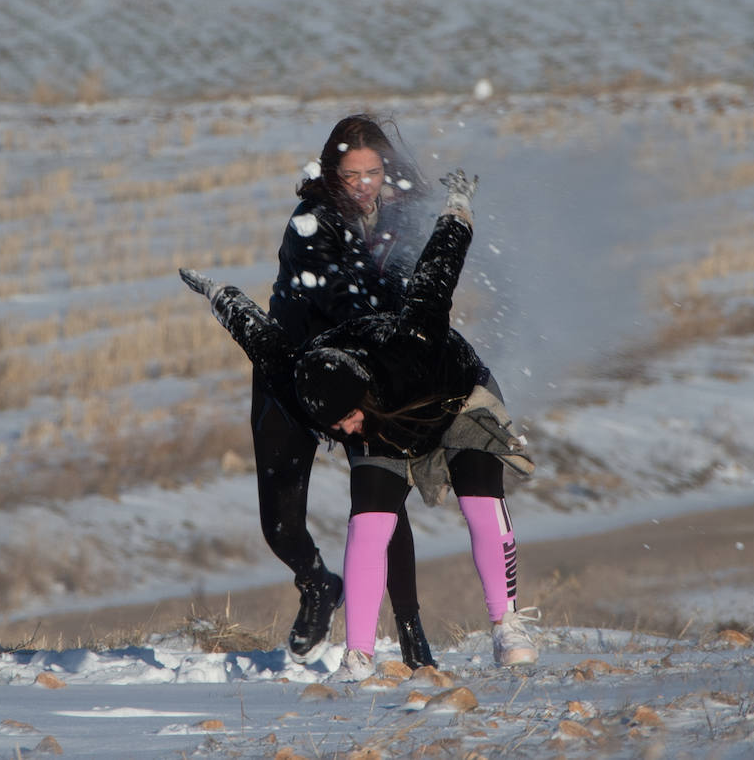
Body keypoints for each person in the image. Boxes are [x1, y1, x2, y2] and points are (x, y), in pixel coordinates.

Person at [181, 168, 538, 677]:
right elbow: (259, 336)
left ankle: (508, 627)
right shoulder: (308, 380)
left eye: (347, 419)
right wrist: (217, 294)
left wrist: (458, 202)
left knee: (481, 502)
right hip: (387, 420)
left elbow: (442, 260)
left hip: (453, 395)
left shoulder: (415, 337)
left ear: (361, 398)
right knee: (369, 524)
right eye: (336, 426)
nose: (345, 432)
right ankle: (359, 654)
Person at [250, 115, 436, 666]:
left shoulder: (403, 220)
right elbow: (343, 297)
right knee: (279, 523)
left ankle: (410, 632)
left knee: (382, 505)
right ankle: (316, 585)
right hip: (292, 370)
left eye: (373, 171)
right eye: (351, 172)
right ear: (332, 171)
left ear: (387, 169)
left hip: (364, 373)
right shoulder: (311, 220)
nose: (363, 183)